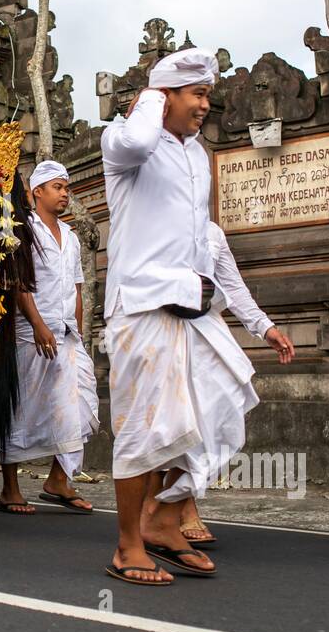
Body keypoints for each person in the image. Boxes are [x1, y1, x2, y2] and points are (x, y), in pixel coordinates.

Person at [100, 47, 263, 585]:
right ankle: (128, 546)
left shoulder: (197, 156)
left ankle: (165, 520)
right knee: (147, 428)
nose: (205, 106)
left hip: (191, 307)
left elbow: (196, 236)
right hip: (142, 306)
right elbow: (139, 138)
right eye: (196, 94)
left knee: (216, 409)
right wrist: (149, 95)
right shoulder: (126, 143)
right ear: (164, 95)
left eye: (207, 95)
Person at [169, 221, 297, 546]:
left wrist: (266, 329)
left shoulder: (213, 232)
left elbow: (233, 286)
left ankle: (175, 499)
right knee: (178, 420)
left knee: (217, 409)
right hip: (163, 330)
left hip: (207, 331)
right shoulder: (155, 217)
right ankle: (182, 506)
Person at [0, 159, 99, 516]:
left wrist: (79, 333)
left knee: (83, 402)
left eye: (67, 188)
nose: (64, 194)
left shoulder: (70, 237)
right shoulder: (23, 230)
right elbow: (19, 282)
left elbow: (76, 289)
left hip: (66, 333)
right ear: (36, 192)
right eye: (58, 187)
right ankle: (10, 488)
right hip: (30, 332)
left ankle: (59, 478)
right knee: (22, 406)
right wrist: (39, 325)